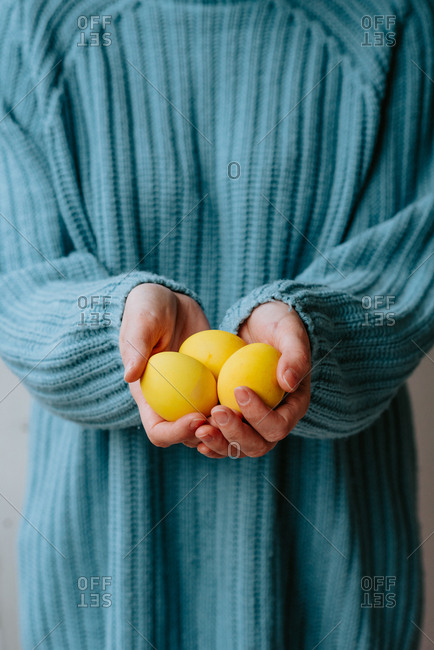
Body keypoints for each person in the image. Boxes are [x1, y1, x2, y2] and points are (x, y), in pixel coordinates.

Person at [0, 0, 432, 647]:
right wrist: (118, 327)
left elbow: (410, 256)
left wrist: (313, 335)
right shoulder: (33, 20)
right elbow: (18, 278)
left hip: (330, 580)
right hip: (101, 583)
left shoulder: (393, 18)